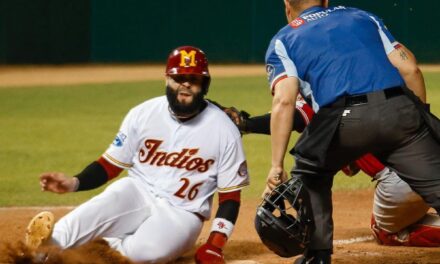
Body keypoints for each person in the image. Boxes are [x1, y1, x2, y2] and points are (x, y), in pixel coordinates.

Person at [24, 46, 249, 264]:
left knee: (145, 253)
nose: (186, 84)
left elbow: (230, 198)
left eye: (194, 78)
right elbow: (110, 165)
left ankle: (89, 253)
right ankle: (42, 250)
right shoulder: (143, 113)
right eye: (178, 77)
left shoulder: (224, 130)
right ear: (167, 80)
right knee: (96, 210)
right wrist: (73, 183)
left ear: (205, 84)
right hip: (137, 191)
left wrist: (215, 245)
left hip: (183, 213)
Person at [264, 0, 440, 263]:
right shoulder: (362, 16)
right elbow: (410, 69)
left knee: (309, 173)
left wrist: (276, 165)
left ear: (287, 5)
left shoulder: (284, 38)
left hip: (344, 118)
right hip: (400, 109)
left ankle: (318, 255)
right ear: (325, 1)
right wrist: (417, 120)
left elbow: (285, 101)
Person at [222, 97, 440, 247]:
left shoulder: (321, 91)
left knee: (383, 231)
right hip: (428, 167)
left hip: (399, 183)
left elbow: (296, 114)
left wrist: (246, 124)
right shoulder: (376, 84)